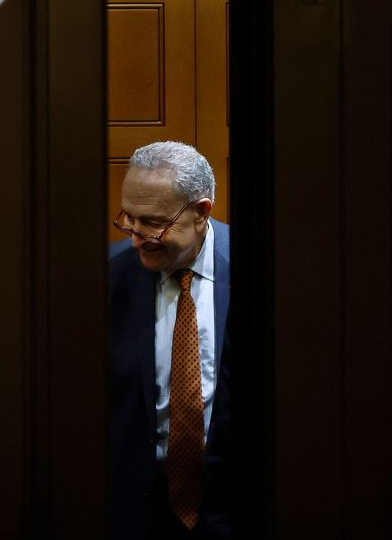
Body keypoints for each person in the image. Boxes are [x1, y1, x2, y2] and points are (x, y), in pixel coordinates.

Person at [109, 141, 231, 539]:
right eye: (129, 218)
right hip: (132, 511)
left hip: (232, 507)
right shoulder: (107, 276)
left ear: (201, 212)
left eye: (153, 222)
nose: (136, 237)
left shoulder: (264, 264)